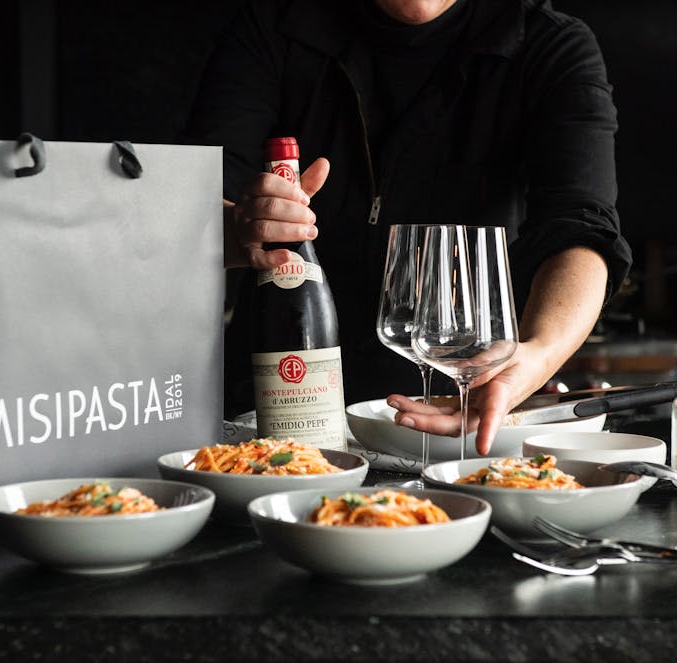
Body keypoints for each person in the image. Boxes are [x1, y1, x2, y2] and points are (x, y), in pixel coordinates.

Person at [181, 0, 632, 455]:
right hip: (272, 419)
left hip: (464, 418)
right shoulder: (276, 26)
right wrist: (241, 227)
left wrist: (537, 354)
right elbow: (186, 206)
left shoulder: (548, 43)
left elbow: (582, 228)